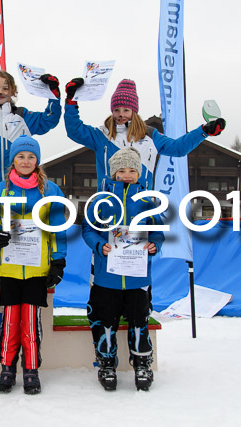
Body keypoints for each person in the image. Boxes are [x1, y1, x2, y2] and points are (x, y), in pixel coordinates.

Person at [0, 135, 67, 395]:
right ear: (13, 160)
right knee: (10, 320)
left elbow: (57, 228)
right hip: (9, 267)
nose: (25, 161)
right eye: (20, 156)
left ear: (38, 161)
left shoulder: (51, 190)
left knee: (31, 321)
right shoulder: (1, 189)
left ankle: (31, 369)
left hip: (37, 267)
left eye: (31, 156)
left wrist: (58, 261)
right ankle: (7, 368)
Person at [82, 147, 164, 392]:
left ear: (139, 173)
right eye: (121, 170)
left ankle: (142, 362)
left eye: (132, 170)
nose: (127, 175)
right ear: (113, 173)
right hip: (107, 277)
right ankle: (106, 363)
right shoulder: (101, 200)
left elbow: (158, 232)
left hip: (138, 277)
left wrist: (154, 245)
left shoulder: (148, 202)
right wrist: (99, 245)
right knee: (105, 320)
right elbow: (88, 230)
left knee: (139, 320)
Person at [64, 77, 226, 191]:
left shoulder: (150, 136)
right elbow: (74, 130)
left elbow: (178, 148)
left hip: (141, 205)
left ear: (134, 111)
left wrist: (203, 131)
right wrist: (71, 100)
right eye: (117, 110)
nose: (121, 114)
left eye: (126, 110)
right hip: (109, 203)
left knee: (145, 241)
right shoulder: (101, 135)